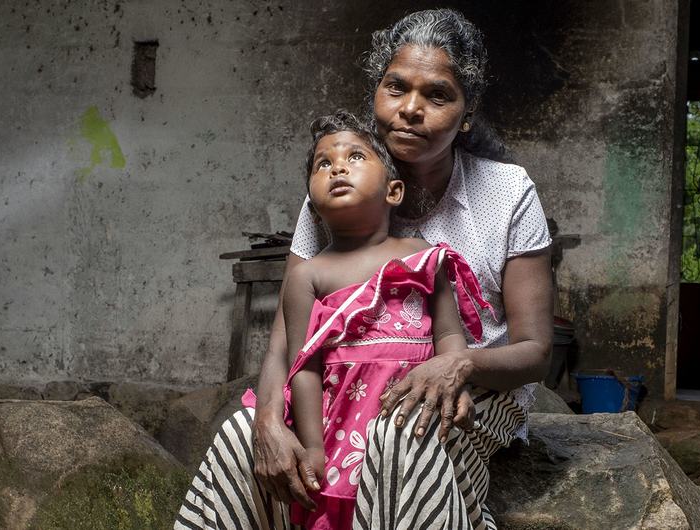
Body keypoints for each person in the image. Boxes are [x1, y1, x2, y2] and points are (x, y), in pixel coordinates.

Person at [176, 9, 553, 530]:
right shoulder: (338, 191)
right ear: (377, 90)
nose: (411, 109)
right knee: (242, 436)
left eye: (438, 95)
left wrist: (458, 364)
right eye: (396, 87)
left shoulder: (507, 192)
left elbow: (536, 350)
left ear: (466, 114)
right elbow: (289, 339)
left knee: (400, 433)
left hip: (473, 390)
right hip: (341, 385)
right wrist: (266, 419)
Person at [263, 110, 493, 528]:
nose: (337, 168)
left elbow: (448, 334)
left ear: (393, 191)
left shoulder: (422, 255)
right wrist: (314, 447)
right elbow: (303, 367)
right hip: (339, 426)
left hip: (413, 409)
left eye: (355, 157)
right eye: (323, 164)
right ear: (312, 207)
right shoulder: (307, 276)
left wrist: (456, 385)